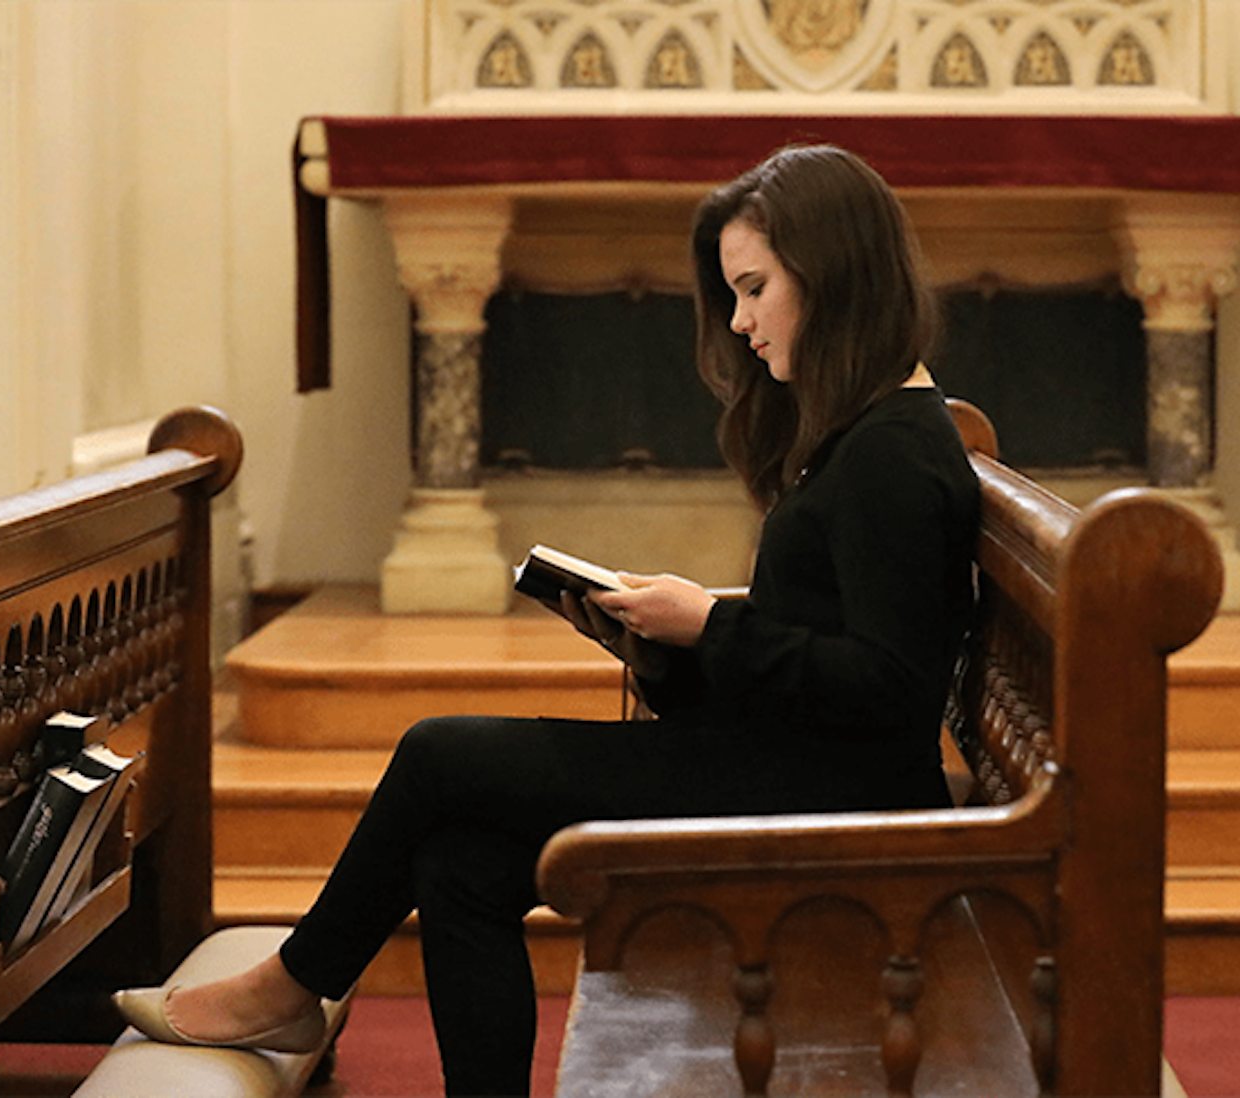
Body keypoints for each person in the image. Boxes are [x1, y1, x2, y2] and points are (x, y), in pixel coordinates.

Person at [113, 143, 981, 1096]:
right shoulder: (865, 431)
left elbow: (892, 694)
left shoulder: (896, 451)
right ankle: (318, 1002)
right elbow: (820, 652)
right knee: (459, 864)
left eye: (753, 288)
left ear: (834, 272)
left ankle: (292, 984)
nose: (739, 322)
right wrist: (658, 650)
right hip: (780, 764)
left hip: (828, 803)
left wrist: (709, 628)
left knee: (443, 754)